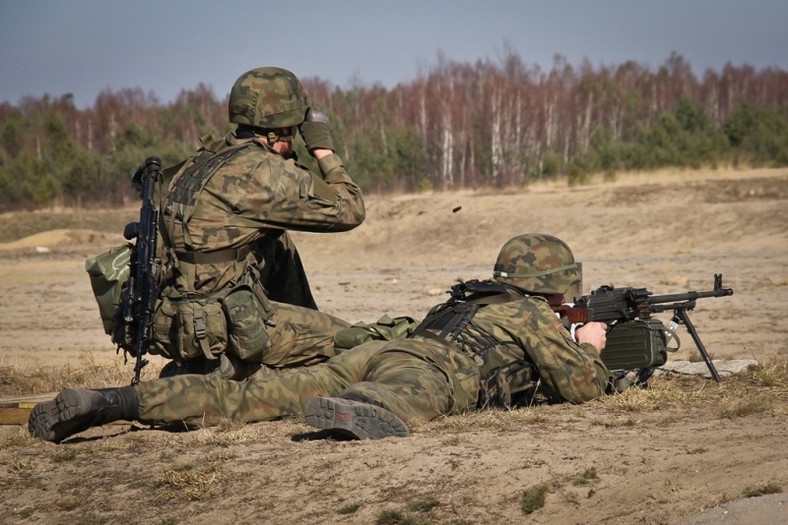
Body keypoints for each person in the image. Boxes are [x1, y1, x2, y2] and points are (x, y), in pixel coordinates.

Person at [29, 234, 610, 443]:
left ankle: (113, 402)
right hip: (430, 371)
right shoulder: (533, 315)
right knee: (398, 400)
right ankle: (356, 411)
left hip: (376, 352)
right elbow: (583, 389)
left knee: (248, 399)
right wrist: (590, 347)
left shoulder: (466, 298)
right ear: (554, 287)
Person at [121, 66, 366, 376]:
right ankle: (234, 366)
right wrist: (323, 150)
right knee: (353, 342)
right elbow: (350, 208)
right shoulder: (258, 170)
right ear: (281, 130)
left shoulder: (208, 156)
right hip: (222, 322)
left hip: (178, 315)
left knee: (276, 241)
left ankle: (228, 361)